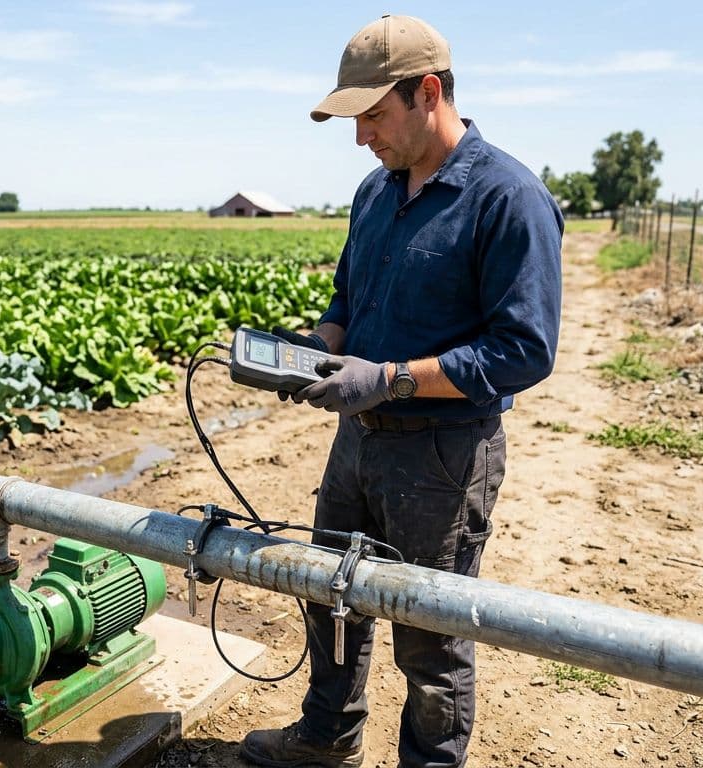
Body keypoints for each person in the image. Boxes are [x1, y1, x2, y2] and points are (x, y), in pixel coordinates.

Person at [238, 13, 563, 768]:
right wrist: (314, 351)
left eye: (374, 117)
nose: (362, 139)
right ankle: (327, 737)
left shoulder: (507, 198)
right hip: (359, 442)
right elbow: (348, 303)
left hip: (444, 457)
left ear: (428, 93)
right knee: (330, 597)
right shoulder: (375, 192)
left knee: (431, 636)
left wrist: (389, 380)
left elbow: (523, 350)